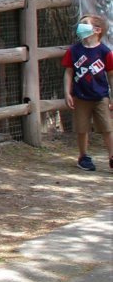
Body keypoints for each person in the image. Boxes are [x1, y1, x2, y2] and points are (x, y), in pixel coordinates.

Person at [61, 13, 113, 172]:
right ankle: (83, 157)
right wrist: (67, 92)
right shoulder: (74, 51)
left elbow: (111, 75)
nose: (80, 26)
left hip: (101, 97)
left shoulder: (105, 52)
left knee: (107, 128)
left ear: (97, 30)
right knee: (82, 129)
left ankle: (112, 157)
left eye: (84, 23)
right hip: (80, 97)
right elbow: (69, 72)